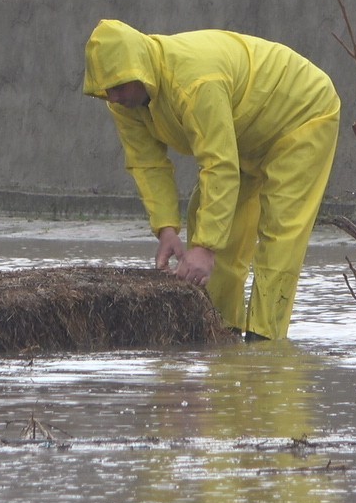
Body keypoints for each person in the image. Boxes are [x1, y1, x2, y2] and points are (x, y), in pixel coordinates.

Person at [81, 19, 340, 341]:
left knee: (279, 235)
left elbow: (218, 164)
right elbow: (147, 163)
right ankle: (219, 330)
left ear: (140, 70)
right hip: (245, 131)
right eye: (106, 90)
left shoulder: (194, 82)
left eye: (119, 86)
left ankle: (265, 342)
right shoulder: (124, 103)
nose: (114, 97)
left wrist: (204, 247)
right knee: (210, 221)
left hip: (302, 115)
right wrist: (167, 228)